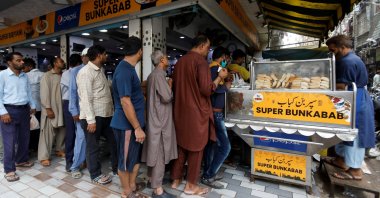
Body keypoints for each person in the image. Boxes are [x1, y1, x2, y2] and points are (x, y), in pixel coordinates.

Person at [170, 35, 228, 195]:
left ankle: (175, 180)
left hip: (180, 111)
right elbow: (206, 89)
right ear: (202, 46)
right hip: (196, 113)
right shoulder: (200, 62)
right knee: (196, 149)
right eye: (208, 48)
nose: (208, 51)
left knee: (181, 146)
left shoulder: (180, 62)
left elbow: (174, 86)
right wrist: (219, 78)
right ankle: (191, 186)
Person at [325, 35, 375, 180]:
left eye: (333, 50)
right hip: (351, 98)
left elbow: (341, 85)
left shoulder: (347, 62)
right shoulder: (350, 59)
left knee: (354, 133)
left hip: (356, 99)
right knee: (344, 130)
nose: (332, 53)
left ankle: (355, 170)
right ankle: (341, 160)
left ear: (342, 47)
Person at [111, 36, 146, 198]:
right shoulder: (124, 70)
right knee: (125, 161)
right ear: (140, 51)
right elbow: (125, 101)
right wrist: (137, 127)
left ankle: (131, 185)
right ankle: (126, 192)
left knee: (134, 158)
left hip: (134, 125)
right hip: (127, 126)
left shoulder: (129, 69)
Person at [77, 45, 117, 185]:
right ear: (99, 55)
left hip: (106, 115)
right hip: (93, 118)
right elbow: (86, 98)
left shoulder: (100, 70)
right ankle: (95, 175)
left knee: (114, 141)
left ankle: (117, 168)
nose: (106, 56)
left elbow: (102, 91)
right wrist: (91, 121)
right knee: (93, 147)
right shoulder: (85, 72)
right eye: (105, 54)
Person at [141, 50, 177, 198]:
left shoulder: (152, 75)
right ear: (162, 60)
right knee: (160, 154)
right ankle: (158, 189)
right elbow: (167, 97)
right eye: (166, 58)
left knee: (154, 151)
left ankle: (152, 180)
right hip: (160, 122)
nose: (168, 59)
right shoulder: (159, 76)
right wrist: (170, 84)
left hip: (154, 119)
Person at [0, 52, 36, 182]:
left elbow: (28, 92)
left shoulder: (24, 76)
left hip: (24, 110)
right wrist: (2, 112)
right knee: (9, 141)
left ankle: (21, 160)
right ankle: (9, 170)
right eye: (18, 60)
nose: (22, 62)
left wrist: (32, 105)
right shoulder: (2, 75)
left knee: (24, 137)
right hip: (9, 110)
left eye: (22, 60)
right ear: (9, 62)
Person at [201, 46, 231, 189]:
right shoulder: (216, 70)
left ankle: (208, 171)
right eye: (226, 58)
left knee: (211, 144)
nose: (227, 60)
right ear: (223, 57)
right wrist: (227, 86)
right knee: (225, 147)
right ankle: (208, 175)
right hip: (215, 114)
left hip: (214, 113)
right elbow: (212, 89)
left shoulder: (214, 69)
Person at [38, 57, 66, 167]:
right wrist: (48, 108)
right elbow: (44, 93)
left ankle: (59, 149)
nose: (63, 63)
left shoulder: (64, 75)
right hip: (51, 109)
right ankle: (44, 156)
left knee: (62, 131)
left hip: (63, 108)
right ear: (55, 63)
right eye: (61, 61)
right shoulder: (47, 75)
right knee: (47, 133)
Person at [69, 48, 89, 178]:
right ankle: (75, 167)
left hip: (94, 112)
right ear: (82, 57)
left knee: (90, 139)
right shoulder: (76, 71)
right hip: (81, 112)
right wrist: (74, 111)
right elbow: (72, 92)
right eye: (87, 56)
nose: (89, 58)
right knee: (81, 139)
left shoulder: (98, 70)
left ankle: (84, 161)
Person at [61, 54, 82, 172]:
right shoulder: (69, 73)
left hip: (71, 103)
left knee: (75, 134)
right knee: (72, 133)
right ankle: (70, 161)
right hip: (70, 104)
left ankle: (74, 161)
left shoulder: (65, 74)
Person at [23, 58, 44, 151]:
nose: (23, 69)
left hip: (28, 106)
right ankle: (38, 146)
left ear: (30, 66)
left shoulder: (24, 76)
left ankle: (30, 146)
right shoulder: (43, 74)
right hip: (41, 106)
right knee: (39, 127)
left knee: (30, 127)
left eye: (24, 67)